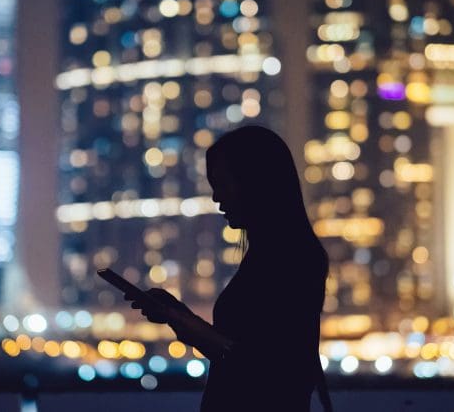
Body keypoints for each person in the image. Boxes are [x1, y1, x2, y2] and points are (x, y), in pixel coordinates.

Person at [126, 125, 332, 412]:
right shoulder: (280, 254)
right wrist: (180, 317)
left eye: (222, 182)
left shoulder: (288, 257)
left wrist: (180, 319)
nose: (215, 197)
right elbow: (247, 353)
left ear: (255, 182)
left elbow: (257, 364)